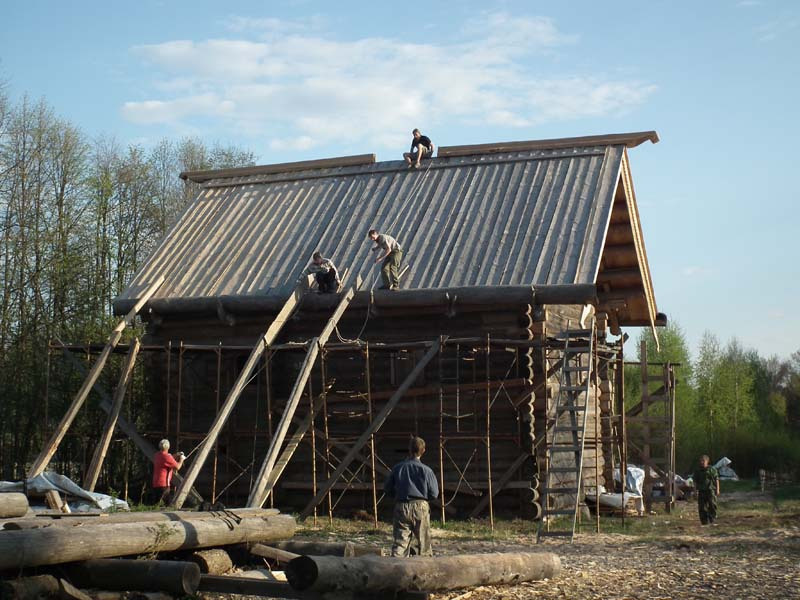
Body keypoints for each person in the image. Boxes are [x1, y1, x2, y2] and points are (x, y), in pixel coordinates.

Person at [384, 436, 439, 557]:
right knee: (424, 544)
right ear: (423, 450)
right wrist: (424, 500)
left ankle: (395, 569)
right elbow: (434, 493)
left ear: (409, 450)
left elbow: (387, 489)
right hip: (421, 505)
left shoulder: (398, 468)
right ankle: (425, 570)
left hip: (402, 505)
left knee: (400, 544)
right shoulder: (427, 470)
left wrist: (397, 497)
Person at [152, 439, 185, 505]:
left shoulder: (157, 455)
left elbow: (167, 458)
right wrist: (181, 459)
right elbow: (177, 467)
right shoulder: (167, 457)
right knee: (167, 506)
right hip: (164, 485)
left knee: (155, 505)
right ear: (168, 447)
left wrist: (177, 454)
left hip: (155, 483)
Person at [692, 454, 720, 525]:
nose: (702, 462)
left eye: (703, 461)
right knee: (702, 507)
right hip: (701, 491)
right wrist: (695, 492)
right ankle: (704, 522)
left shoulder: (711, 469)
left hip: (710, 490)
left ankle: (712, 518)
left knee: (712, 505)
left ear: (707, 461)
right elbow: (694, 482)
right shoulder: (697, 471)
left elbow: (716, 479)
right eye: (700, 461)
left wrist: (717, 489)